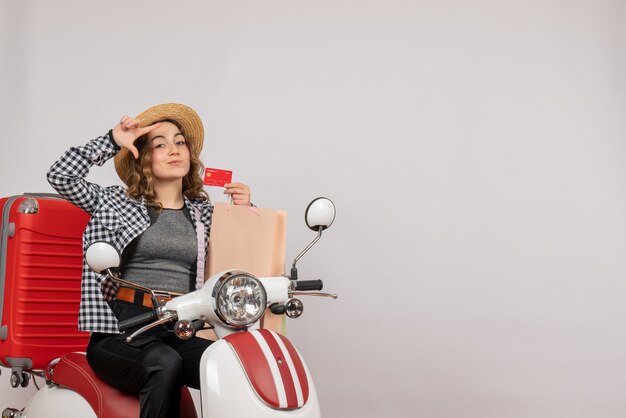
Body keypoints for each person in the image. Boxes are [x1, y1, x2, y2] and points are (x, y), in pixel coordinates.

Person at [47, 103, 252, 418]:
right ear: (143, 158)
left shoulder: (205, 212)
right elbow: (60, 176)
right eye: (160, 144)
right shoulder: (116, 203)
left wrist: (246, 210)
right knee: (164, 363)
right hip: (122, 330)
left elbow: (242, 256)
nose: (174, 149)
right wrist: (111, 141)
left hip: (179, 328)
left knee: (231, 364)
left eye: (179, 142)